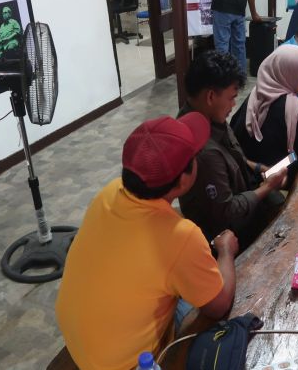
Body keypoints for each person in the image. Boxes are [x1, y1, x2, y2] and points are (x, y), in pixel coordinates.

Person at [56, 113, 239, 370]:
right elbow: (218, 306)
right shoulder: (181, 236)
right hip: (123, 364)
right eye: (195, 156)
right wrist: (226, 251)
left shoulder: (110, 191)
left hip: (79, 339)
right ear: (183, 179)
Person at [178, 51, 286, 249]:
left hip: (242, 191)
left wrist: (258, 168)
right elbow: (227, 212)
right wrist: (268, 187)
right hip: (225, 234)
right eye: (231, 98)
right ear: (211, 96)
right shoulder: (204, 151)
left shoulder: (208, 114)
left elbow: (233, 156)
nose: (234, 104)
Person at [231, 46, 298, 185]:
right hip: (271, 173)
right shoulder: (291, 107)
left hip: (247, 165)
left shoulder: (258, 92)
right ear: (289, 73)